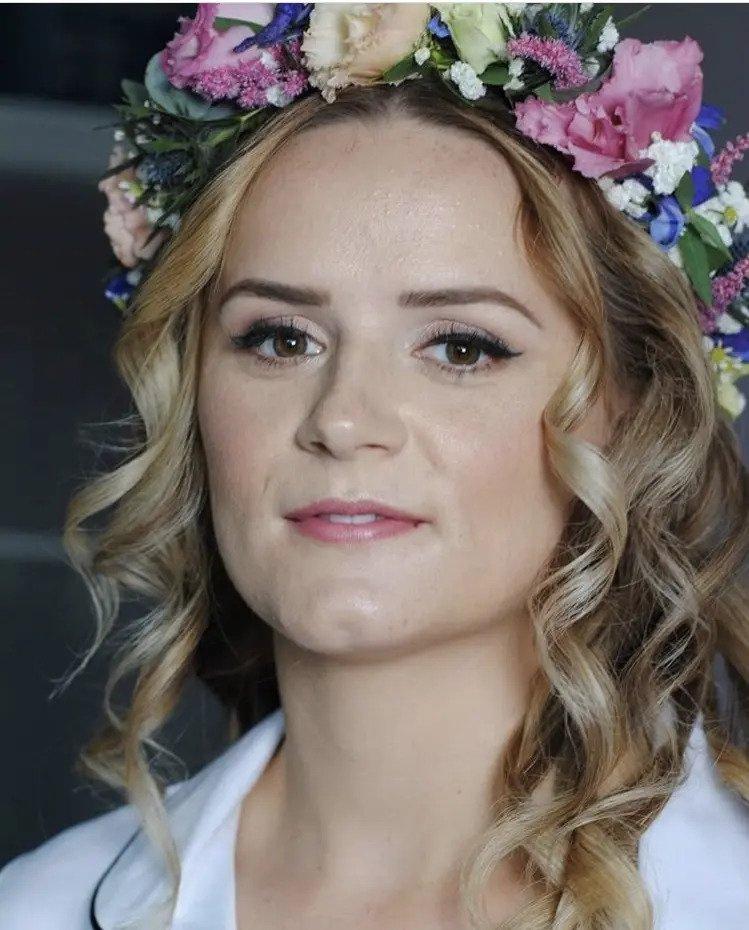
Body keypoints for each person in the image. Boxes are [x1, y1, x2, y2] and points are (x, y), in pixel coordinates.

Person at [2, 4, 749, 929]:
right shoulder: (36, 908)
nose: (343, 420)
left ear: (628, 412)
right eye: (280, 338)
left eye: (461, 348)